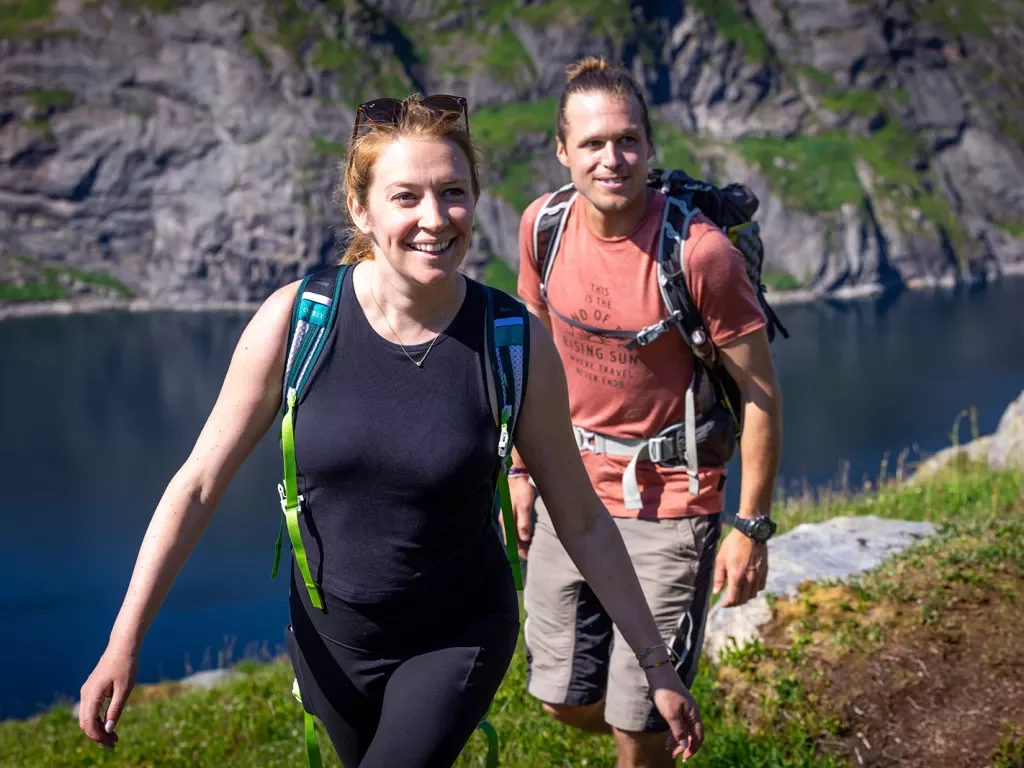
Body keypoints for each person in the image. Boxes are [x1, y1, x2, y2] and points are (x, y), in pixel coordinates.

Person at [77, 94, 707, 767]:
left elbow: (580, 519)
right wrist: (124, 641)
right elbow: (199, 485)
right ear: (362, 209)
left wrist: (655, 665)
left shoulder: (513, 341)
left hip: (457, 633)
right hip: (330, 644)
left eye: (453, 194)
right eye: (405, 197)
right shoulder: (298, 321)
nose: (434, 219)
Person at [510, 58, 784, 767]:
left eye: (628, 140)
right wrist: (520, 468)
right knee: (562, 697)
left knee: (638, 723)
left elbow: (759, 395)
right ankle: (662, 728)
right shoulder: (542, 227)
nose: (613, 158)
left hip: (671, 501)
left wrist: (749, 528)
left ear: (649, 146)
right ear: (563, 151)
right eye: (594, 144)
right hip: (571, 490)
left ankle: (655, 730)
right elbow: (533, 359)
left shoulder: (701, 255)